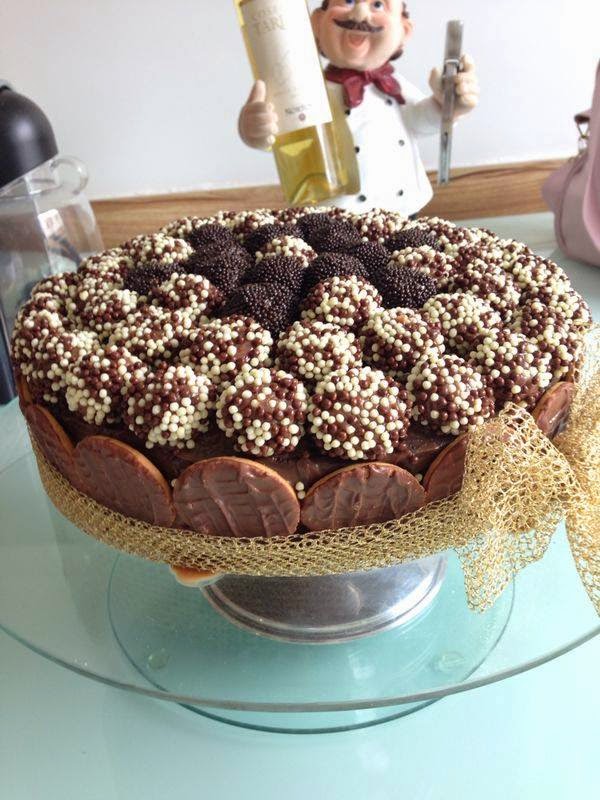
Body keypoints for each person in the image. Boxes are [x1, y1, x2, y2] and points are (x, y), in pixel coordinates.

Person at [238, 0, 480, 215]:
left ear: (403, 31)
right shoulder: (304, 91)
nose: (360, 14)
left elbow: (421, 119)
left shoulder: (396, 87)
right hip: (336, 216)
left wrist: (449, 105)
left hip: (403, 211)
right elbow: (289, 137)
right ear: (316, 23)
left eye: (378, 5)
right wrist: (257, 130)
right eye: (348, 1)